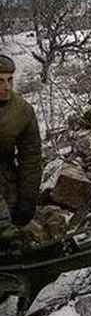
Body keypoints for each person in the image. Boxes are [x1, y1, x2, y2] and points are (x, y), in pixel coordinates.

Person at [0, 54, 42, 247]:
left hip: (5, 175)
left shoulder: (22, 111)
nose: (6, 87)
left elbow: (31, 157)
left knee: (21, 227)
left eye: (9, 80)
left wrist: (27, 197)